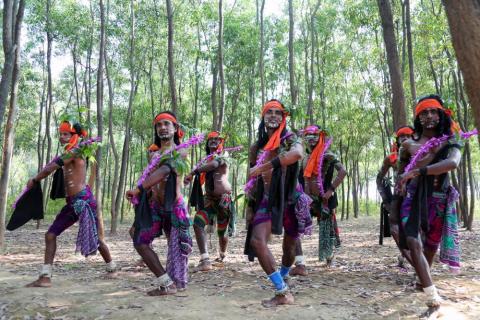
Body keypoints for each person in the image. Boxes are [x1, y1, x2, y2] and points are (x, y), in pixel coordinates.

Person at [26, 120, 116, 287]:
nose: (62, 137)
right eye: (60, 134)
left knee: (96, 238)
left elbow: (50, 168)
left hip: (84, 201)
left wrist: (34, 179)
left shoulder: (75, 151)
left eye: (66, 134)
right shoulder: (72, 152)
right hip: (73, 202)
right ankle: (45, 276)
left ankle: (111, 267)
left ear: (75, 136)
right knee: (50, 235)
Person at [394, 95, 461, 307]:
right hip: (412, 199)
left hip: (439, 198)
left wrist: (420, 171)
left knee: (431, 245)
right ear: (418, 117)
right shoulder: (408, 144)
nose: (429, 116)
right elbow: (401, 173)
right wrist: (401, 186)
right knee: (414, 241)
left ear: (441, 115)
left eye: (433, 111)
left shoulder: (451, 141)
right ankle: (432, 296)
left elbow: (452, 163)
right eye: (424, 112)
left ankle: (423, 278)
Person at [244, 99, 312, 307]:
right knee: (257, 241)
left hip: (291, 197)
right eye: (268, 112)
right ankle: (282, 291)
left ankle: (284, 275)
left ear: (283, 118)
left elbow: (297, 154)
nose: (273, 115)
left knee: (289, 249)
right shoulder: (256, 147)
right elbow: (252, 179)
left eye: (277, 113)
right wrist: (249, 207)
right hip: (267, 199)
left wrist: (265, 166)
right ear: (263, 118)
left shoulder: (292, 139)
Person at [126, 111, 192, 296]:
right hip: (155, 205)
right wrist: (140, 197)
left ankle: (175, 282)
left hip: (175, 207)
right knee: (139, 239)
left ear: (175, 128)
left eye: (166, 124)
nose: (162, 127)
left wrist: (138, 188)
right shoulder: (153, 153)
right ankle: (166, 282)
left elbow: (165, 170)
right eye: (159, 125)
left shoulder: (182, 150)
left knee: (175, 248)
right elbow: (151, 177)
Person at [291, 125, 346, 276]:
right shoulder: (302, 156)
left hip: (324, 199)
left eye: (314, 135)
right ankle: (300, 262)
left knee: (327, 227)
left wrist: (331, 190)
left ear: (320, 136)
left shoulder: (327, 154)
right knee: (294, 225)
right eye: (307, 136)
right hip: (305, 198)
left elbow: (343, 171)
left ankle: (329, 257)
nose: (311, 139)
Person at [185, 131, 235, 271]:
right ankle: (205, 259)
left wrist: (194, 172)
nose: (213, 141)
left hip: (224, 200)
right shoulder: (206, 160)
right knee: (198, 223)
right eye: (210, 140)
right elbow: (208, 168)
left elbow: (214, 165)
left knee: (222, 232)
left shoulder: (224, 155)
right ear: (207, 144)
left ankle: (222, 254)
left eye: (216, 139)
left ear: (221, 143)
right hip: (209, 200)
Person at [376, 126, 414, 266]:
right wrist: (387, 199)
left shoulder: (421, 153)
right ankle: (407, 257)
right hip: (399, 197)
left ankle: (420, 261)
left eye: (408, 135)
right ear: (397, 140)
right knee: (395, 229)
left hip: (418, 196)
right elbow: (379, 178)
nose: (404, 138)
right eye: (401, 136)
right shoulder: (391, 158)